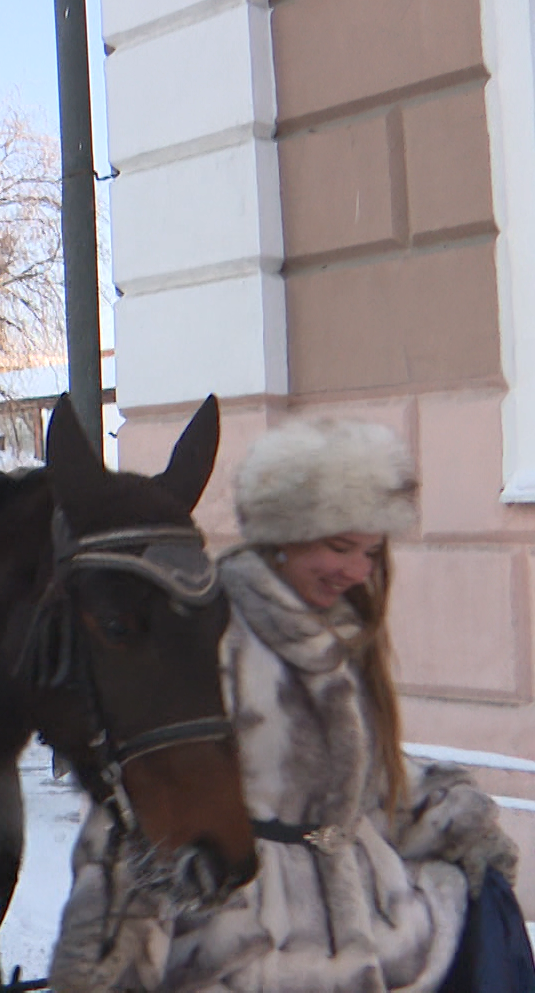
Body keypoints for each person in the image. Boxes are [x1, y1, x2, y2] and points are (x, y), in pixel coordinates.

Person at [49, 418, 525, 992]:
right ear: (281, 539)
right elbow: (143, 794)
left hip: (365, 938)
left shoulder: (338, 642)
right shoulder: (214, 637)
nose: (356, 571)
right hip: (242, 945)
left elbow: (367, 789)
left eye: (370, 552)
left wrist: (452, 819)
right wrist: (109, 936)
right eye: (339, 546)